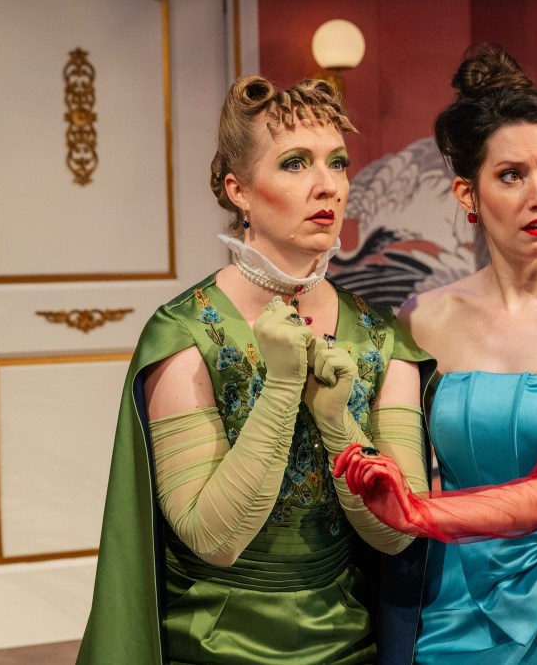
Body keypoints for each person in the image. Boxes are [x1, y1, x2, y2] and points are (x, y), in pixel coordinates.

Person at [77, 75, 433, 665]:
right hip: (213, 645)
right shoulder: (185, 333)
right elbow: (212, 539)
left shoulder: (379, 335)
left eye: (337, 163)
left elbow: (398, 532)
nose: (328, 185)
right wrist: (283, 386)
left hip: (347, 643)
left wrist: (338, 423)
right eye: (295, 164)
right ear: (238, 190)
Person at [335, 45, 537, 664]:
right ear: (468, 193)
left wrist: (418, 513)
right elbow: (395, 459)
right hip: (452, 599)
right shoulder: (422, 320)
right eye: (512, 175)